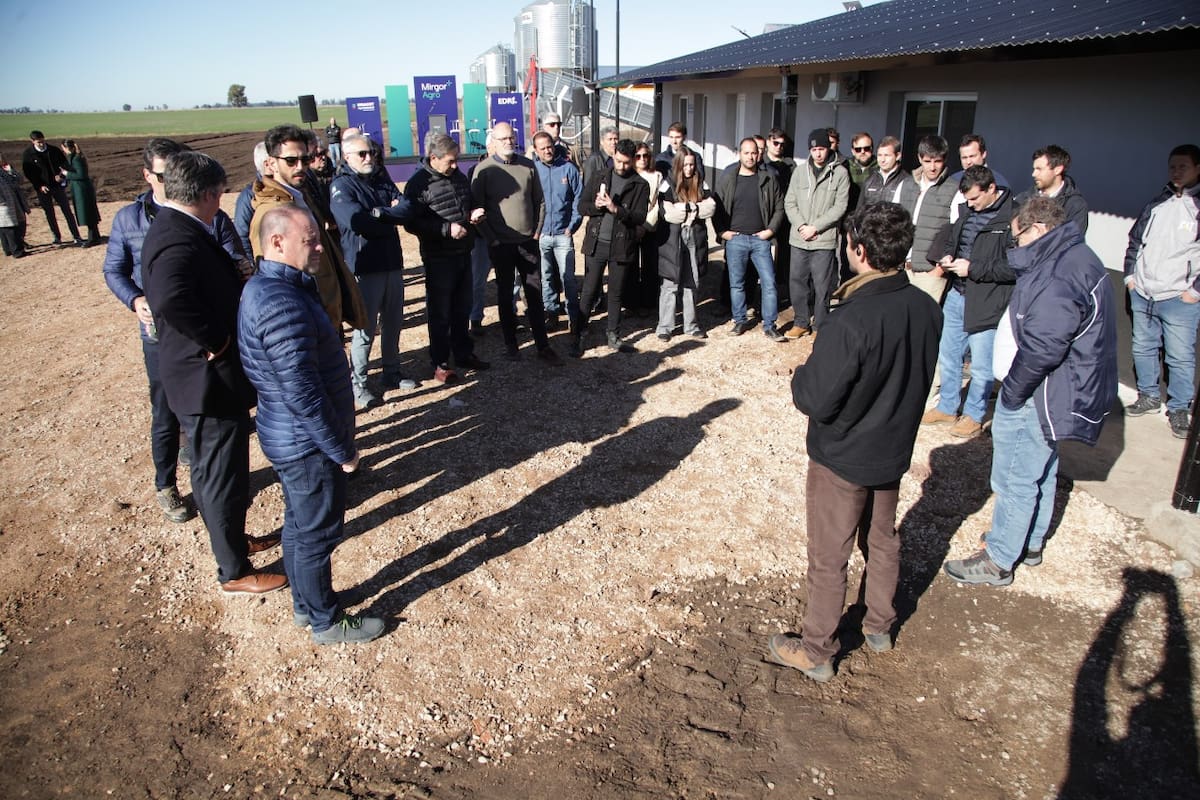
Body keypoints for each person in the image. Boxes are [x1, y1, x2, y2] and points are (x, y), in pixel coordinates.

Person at [768, 202, 941, 682]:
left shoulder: (850, 318)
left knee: (829, 556)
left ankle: (817, 649)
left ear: (858, 250)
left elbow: (815, 399)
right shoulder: (927, 308)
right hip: (891, 452)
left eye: (848, 244)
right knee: (883, 540)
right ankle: (880, 626)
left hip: (842, 457)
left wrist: (800, 375)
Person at [943, 196, 1117, 585]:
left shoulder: (1059, 274)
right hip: (1056, 391)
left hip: (1039, 392)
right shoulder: (1073, 256)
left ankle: (999, 558)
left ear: (1038, 229)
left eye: (1017, 236)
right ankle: (1031, 541)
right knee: (1042, 468)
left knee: (1014, 479)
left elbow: (1044, 347)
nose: (1014, 244)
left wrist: (1013, 393)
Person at [237, 206, 383, 643]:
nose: (321, 247)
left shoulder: (271, 288)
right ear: (277, 242)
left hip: (288, 436)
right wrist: (343, 450)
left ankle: (305, 606)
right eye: (311, 240)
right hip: (306, 444)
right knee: (318, 534)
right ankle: (325, 620)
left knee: (300, 527)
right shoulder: (281, 304)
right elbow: (304, 394)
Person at [142, 150, 285, 595]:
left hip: (204, 379)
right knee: (220, 474)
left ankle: (233, 541)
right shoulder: (176, 236)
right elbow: (171, 299)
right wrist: (217, 342)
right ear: (206, 194)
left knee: (216, 471)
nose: (221, 201)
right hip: (206, 381)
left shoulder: (180, 228)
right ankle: (235, 570)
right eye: (219, 193)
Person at [922, 166, 1015, 438]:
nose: (970, 204)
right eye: (967, 200)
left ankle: (974, 414)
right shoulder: (966, 211)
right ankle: (948, 406)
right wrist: (948, 256)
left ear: (991, 190)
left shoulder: (1011, 219)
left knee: (982, 365)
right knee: (949, 355)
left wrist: (973, 268)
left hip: (987, 300)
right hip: (957, 293)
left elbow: (1014, 267)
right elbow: (954, 241)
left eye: (975, 199)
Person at [251, 125, 366, 334]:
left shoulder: (301, 196)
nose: (300, 167)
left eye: (305, 160)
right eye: (291, 160)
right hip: (304, 322)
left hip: (325, 313)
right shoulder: (270, 213)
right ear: (271, 163)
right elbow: (272, 280)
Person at [330, 133, 417, 408]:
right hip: (365, 266)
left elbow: (407, 209)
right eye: (362, 154)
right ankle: (359, 385)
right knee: (364, 330)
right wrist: (385, 214)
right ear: (347, 157)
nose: (370, 158)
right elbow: (359, 223)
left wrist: (379, 213)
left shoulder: (380, 176)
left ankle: (392, 373)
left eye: (371, 153)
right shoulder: (342, 186)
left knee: (393, 322)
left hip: (392, 262)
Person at [1122, 144, 1200, 438]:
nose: (1176, 172)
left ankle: (1179, 408)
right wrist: (1130, 277)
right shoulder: (1158, 203)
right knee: (1143, 347)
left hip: (1179, 297)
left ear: (1197, 169)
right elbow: (1135, 241)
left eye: (1183, 167)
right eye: (1172, 167)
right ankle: (1149, 396)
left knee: (1180, 356)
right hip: (1144, 292)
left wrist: (1195, 292)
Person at [470, 122, 562, 364]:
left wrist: (536, 233)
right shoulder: (484, 170)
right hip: (501, 245)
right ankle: (511, 345)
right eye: (503, 139)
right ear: (494, 142)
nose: (509, 142)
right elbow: (476, 210)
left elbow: (540, 202)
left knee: (534, 294)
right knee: (504, 294)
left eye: (511, 138)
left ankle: (543, 345)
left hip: (527, 242)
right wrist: (492, 239)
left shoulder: (528, 166)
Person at [403, 132, 491, 382]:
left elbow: (467, 202)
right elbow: (411, 223)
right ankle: (440, 362)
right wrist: (445, 229)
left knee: (462, 309)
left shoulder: (459, 177)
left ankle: (463, 353)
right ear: (433, 157)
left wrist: (473, 213)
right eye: (450, 161)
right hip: (438, 257)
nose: (455, 165)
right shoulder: (418, 184)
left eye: (457, 161)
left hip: (464, 252)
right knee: (440, 313)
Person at [576, 138, 651, 355]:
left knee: (616, 293)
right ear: (614, 156)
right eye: (618, 161)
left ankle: (613, 335)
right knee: (589, 291)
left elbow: (639, 217)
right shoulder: (600, 175)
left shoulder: (640, 185)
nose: (621, 166)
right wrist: (596, 207)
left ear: (633, 160)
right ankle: (579, 334)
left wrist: (616, 209)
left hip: (621, 245)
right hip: (597, 242)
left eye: (626, 163)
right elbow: (582, 206)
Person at [714, 138, 786, 342]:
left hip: (760, 240)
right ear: (740, 154)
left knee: (769, 283)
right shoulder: (729, 178)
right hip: (735, 239)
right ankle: (739, 320)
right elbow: (716, 207)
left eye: (754, 153)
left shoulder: (768, 179)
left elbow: (780, 207)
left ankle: (770, 325)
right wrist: (722, 232)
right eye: (746, 153)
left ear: (759, 154)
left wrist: (770, 230)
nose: (750, 156)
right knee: (736, 284)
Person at [783, 128, 850, 338]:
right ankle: (801, 321)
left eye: (821, 148)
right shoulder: (800, 172)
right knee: (797, 282)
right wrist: (802, 226)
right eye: (814, 149)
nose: (818, 153)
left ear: (828, 148)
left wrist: (816, 227)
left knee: (822, 286)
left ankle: (821, 324)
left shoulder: (840, 174)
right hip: (799, 238)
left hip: (823, 239)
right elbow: (789, 202)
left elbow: (840, 207)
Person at [656, 150, 714, 340]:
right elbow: (668, 213)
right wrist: (693, 209)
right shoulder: (668, 183)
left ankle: (691, 325)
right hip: (672, 239)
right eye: (686, 165)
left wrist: (689, 208)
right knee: (670, 283)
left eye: (692, 165)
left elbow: (711, 207)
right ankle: (665, 327)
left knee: (692, 281)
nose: (689, 169)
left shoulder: (701, 182)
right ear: (678, 165)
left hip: (694, 237)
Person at [531, 131, 583, 333]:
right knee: (545, 277)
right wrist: (535, 230)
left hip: (563, 234)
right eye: (542, 148)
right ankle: (551, 314)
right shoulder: (533, 170)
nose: (547, 150)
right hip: (542, 234)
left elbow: (579, 198)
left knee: (567, 277)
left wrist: (573, 226)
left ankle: (573, 316)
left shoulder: (568, 169)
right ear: (536, 150)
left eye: (549, 146)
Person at [906, 134, 958, 304]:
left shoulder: (953, 189)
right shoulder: (907, 184)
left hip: (930, 273)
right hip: (903, 270)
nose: (933, 167)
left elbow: (955, 233)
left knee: (924, 326)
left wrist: (938, 271)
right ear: (919, 159)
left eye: (937, 161)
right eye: (928, 161)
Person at [21, 130, 83, 246]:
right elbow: (29, 173)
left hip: (57, 187)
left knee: (67, 211)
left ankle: (76, 236)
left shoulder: (54, 151)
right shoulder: (28, 154)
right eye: (39, 142)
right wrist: (39, 186)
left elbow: (64, 165)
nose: (41, 144)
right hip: (43, 189)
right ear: (32, 141)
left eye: (43, 141)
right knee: (50, 214)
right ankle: (57, 238)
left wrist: (61, 176)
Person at [627, 142, 666, 315]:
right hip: (630, 227)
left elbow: (658, 202)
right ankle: (632, 304)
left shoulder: (657, 176)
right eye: (638, 156)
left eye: (645, 156)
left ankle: (649, 303)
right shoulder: (628, 175)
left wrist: (645, 225)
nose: (642, 159)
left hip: (650, 226)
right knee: (631, 266)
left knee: (650, 266)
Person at [1013, 144, 1089, 233]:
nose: (1033, 174)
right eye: (1034, 169)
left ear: (1058, 170)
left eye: (1039, 169)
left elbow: (1073, 239)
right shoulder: (1023, 199)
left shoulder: (1075, 205)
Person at [856, 135, 916, 211]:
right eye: (880, 155)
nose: (882, 160)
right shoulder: (869, 180)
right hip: (870, 222)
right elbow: (860, 209)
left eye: (887, 155)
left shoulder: (907, 181)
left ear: (897, 156)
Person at [61, 140, 101, 246]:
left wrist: (66, 174)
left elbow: (81, 175)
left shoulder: (76, 159)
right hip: (81, 188)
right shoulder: (76, 157)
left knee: (87, 212)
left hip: (82, 189)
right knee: (89, 212)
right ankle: (95, 236)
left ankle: (93, 238)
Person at [0, 153, 29, 258]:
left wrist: (11, 171)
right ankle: (16, 251)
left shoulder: (4, 171)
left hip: (13, 202)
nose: (2, 159)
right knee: (9, 228)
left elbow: (19, 181)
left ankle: (9, 249)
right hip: (4, 205)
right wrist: (2, 202)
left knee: (7, 227)